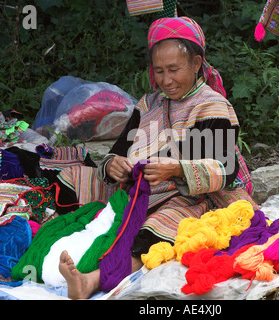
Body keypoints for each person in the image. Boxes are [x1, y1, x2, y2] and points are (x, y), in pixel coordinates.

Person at [58, 16, 254, 299]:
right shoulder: (148, 104)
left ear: (197, 64)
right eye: (159, 71)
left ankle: (89, 282)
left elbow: (225, 170)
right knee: (71, 179)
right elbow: (119, 150)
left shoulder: (212, 106)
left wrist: (176, 169)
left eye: (174, 69)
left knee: (156, 230)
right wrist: (113, 164)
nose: (166, 80)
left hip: (194, 196)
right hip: (142, 190)